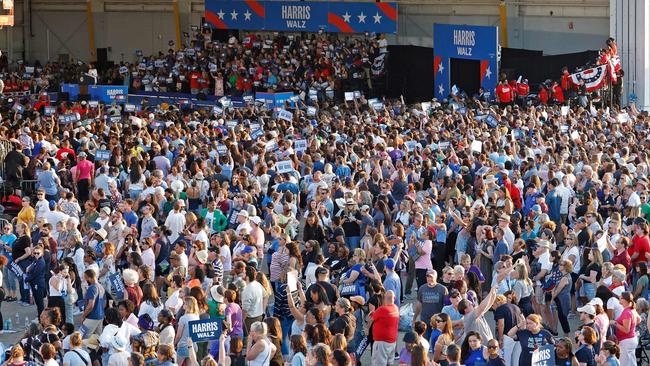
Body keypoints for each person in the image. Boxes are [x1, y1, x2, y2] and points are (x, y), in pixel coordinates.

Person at [413, 270, 448, 340]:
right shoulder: (422, 288)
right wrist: (414, 318)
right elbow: (419, 304)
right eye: (427, 277)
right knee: (424, 342)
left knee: (436, 342)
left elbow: (446, 306)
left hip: (438, 322)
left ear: (436, 277)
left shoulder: (443, 289)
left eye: (431, 277)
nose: (429, 279)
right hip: (425, 320)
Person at [370, 290, 400, 366]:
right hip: (392, 341)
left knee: (379, 363)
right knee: (389, 363)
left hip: (381, 342)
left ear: (384, 298)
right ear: (394, 298)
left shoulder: (382, 309)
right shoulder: (396, 308)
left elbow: (372, 318)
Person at [614, 291, 640, 365]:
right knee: (632, 362)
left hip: (626, 341)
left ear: (625, 300)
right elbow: (639, 319)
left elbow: (626, 330)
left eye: (620, 298)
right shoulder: (632, 309)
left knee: (624, 363)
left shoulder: (627, 312)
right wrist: (632, 326)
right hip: (631, 339)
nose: (619, 298)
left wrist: (615, 323)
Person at [80, 268, 106, 338]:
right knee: (98, 338)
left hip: (92, 317)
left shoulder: (92, 288)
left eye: (85, 278)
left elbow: (91, 305)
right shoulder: (101, 287)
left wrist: (83, 316)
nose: (85, 280)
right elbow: (104, 303)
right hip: (100, 316)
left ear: (89, 278)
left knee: (84, 337)